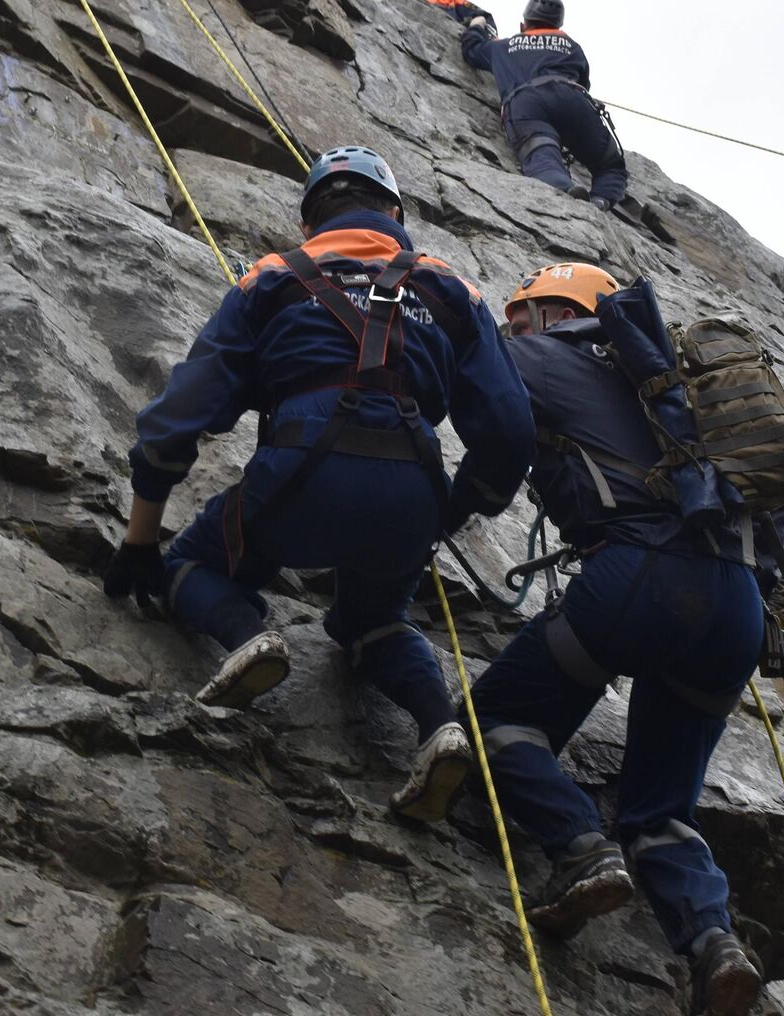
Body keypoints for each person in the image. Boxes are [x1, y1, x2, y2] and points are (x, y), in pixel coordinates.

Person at [104, 146, 534, 823]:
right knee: (374, 619)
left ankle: (249, 637)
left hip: (298, 476)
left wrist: (139, 541)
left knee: (190, 561)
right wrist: (452, 512)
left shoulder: (271, 277)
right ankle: (437, 726)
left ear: (309, 225)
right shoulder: (452, 287)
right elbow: (510, 430)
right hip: (411, 491)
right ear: (394, 213)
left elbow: (178, 417)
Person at [469, 263, 768, 1015]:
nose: (512, 329)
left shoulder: (540, 357)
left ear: (552, 314)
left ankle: (579, 849)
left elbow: (479, 408)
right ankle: (714, 942)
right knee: (663, 809)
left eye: (520, 314)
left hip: (638, 577)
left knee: (500, 717)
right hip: (737, 606)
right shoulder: (681, 391)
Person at [461, 0, 629, 211]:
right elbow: (584, 82)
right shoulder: (572, 47)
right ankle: (599, 201)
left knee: (541, 154)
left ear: (524, 25)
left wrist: (477, 25)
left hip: (526, 103)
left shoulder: (504, 47)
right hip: (572, 99)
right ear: (558, 25)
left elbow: (472, 50)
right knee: (610, 166)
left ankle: (561, 186)